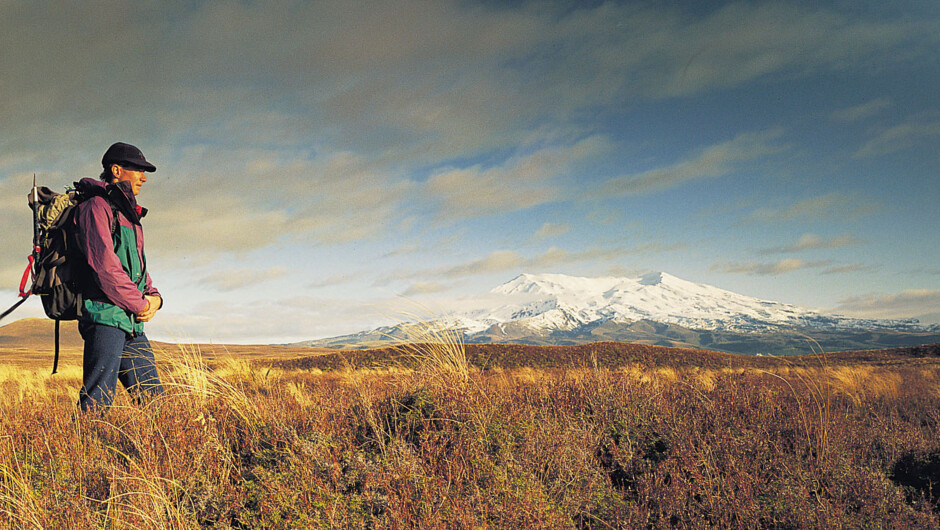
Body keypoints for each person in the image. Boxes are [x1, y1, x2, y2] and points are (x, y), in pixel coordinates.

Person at [72, 142, 164, 411]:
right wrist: (141, 304)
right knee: (98, 400)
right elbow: (104, 267)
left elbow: (137, 269)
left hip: (131, 321)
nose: (144, 177)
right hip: (104, 317)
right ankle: (83, 449)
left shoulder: (128, 215)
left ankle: (158, 451)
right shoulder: (95, 207)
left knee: (155, 400)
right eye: (138, 170)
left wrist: (155, 298)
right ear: (116, 170)